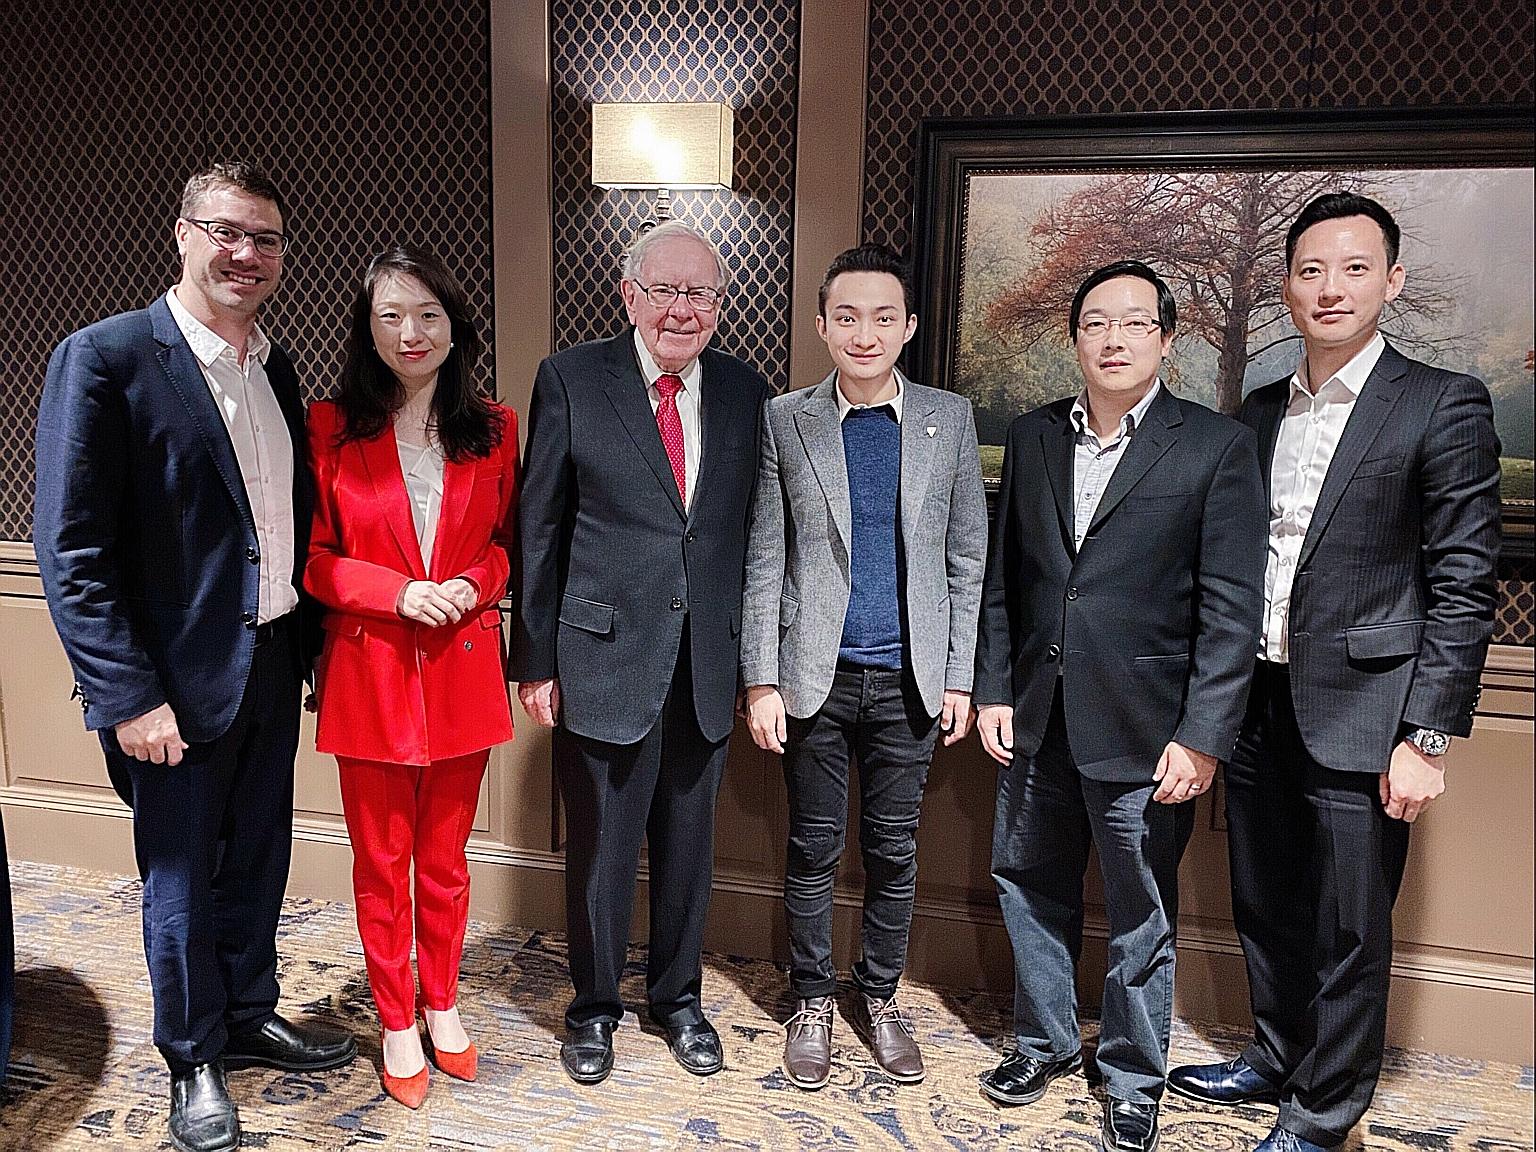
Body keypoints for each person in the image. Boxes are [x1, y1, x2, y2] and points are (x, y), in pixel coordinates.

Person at [1166, 193, 1503, 1152]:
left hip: (1369, 708)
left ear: (1391, 281)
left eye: (1354, 268)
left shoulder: (1441, 402)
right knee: (1265, 897)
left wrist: (1426, 735)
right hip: (1256, 700)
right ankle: (1275, 1057)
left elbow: (1464, 582)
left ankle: (1324, 1111)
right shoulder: (1261, 410)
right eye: (1311, 270)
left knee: (1351, 925)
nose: (1330, 287)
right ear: (1286, 285)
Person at [32, 162, 355, 1152]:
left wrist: (303, 648)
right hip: (168, 686)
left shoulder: (276, 368)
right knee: (178, 878)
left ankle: (248, 1012)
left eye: (264, 240)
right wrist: (128, 695)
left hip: (267, 659)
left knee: (257, 860)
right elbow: (70, 547)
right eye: (225, 232)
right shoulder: (107, 359)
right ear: (181, 235)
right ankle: (192, 1059)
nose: (244, 254)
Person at [973, 261, 1265, 1152]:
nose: (1113, 339)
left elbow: (1230, 610)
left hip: (1149, 730)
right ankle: (1046, 1042)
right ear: (1074, 339)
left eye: (1135, 324)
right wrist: (991, 689)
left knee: (1141, 909)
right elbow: (1003, 581)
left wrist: (1203, 735)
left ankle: (1134, 1078)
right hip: (1037, 714)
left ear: (1167, 341)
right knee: (1027, 882)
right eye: (1096, 323)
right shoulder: (1030, 438)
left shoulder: (1214, 447)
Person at [512, 220, 768, 1085]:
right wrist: (535, 658)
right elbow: (538, 525)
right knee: (603, 856)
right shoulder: (572, 379)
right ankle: (592, 1010)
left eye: (701, 293)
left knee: (690, 853)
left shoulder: (743, 391)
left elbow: (746, 534)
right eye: (666, 290)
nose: (683, 310)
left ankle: (679, 1000)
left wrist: (750, 662)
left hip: (703, 664)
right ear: (630, 295)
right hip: (601, 658)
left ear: (720, 305)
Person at [740, 243, 986, 1089]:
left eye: (884, 317)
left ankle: (879, 997)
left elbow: (965, 558)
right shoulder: (785, 417)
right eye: (847, 317)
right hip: (815, 675)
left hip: (910, 681)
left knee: (893, 849)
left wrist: (959, 676)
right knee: (811, 848)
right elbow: (765, 557)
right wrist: (761, 679)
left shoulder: (948, 420)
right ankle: (811, 997)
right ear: (821, 325)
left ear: (909, 326)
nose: (865, 332)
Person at [304, 245, 518, 1108]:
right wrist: (398, 592)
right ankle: (396, 1018)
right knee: (380, 862)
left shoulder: (495, 426)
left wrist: (473, 584)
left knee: (446, 863)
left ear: (456, 325)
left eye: (428, 314)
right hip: (372, 671)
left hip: (464, 671)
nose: (410, 332)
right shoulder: (328, 426)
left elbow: (509, 547)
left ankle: (443, 1001)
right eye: (390, 315)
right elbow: (315, 563)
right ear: (367, 328)